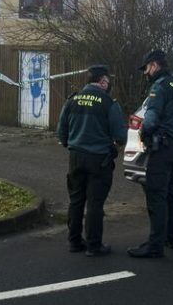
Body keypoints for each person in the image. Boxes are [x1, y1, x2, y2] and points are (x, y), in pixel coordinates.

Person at [57, 65, 127, 257]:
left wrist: (71, 144)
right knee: (95, 203)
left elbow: (61, 132)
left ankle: (74, 242)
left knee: (76, 200)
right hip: (99, 160)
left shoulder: (72, 100)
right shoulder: (109, 103)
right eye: (108, 80)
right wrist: (113, 147)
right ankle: (94, 246)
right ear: (103, 81)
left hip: (76, 158)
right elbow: (120, 136)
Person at [127, 49, 173, 258]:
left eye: (146, 68)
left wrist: (144, 134)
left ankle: (155, 246)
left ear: (154, 65)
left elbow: (151, 118)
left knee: (156, 195)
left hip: (163, 148)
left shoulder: (159, 87)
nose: (145, 73)